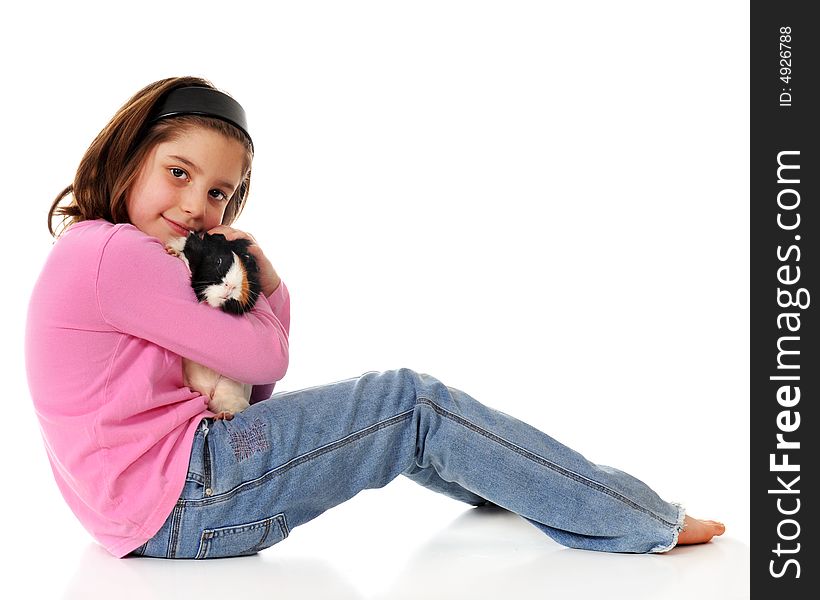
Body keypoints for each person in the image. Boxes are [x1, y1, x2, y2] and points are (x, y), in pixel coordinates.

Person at [24, 76, 725, 560]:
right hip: (188, 499)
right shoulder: (116, 253)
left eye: (218, 192)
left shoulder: (107, 258)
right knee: (409, 403)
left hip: (154, 516)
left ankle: (515, 483)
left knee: (400, 425)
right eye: (177, 173)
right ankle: (641, 522)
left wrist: (259, 288)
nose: (196, 206)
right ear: (128, 155)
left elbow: (250, 394)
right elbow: (263, 363)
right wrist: (266, 285)